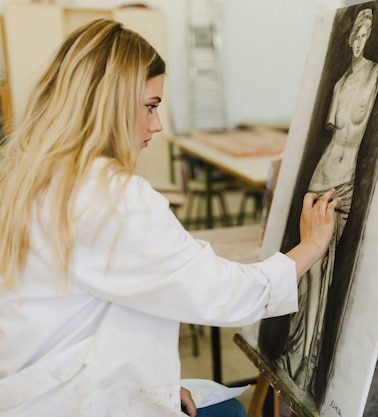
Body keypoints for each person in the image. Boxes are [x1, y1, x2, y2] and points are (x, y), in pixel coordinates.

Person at [0, 19, 339, 417]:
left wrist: (150, 382)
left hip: (34, 392)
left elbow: (91, 306)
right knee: (230, 413)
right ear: (110, 102)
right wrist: (311, 246)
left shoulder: (28, 174)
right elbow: (223, 292)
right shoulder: (110, 196)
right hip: (72, 402)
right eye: (151, 106)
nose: (157, 125)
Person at [278, 7, 378, 399]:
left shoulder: (377, 73)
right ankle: (297, 348)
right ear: (350, 35)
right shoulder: (340, 83)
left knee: (325, 268)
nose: (361, 36)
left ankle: (309, 358)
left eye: (368, 31)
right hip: (321, 176)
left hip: (345, 180)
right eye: (357, 29)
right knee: (307, 271)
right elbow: (331, 135)